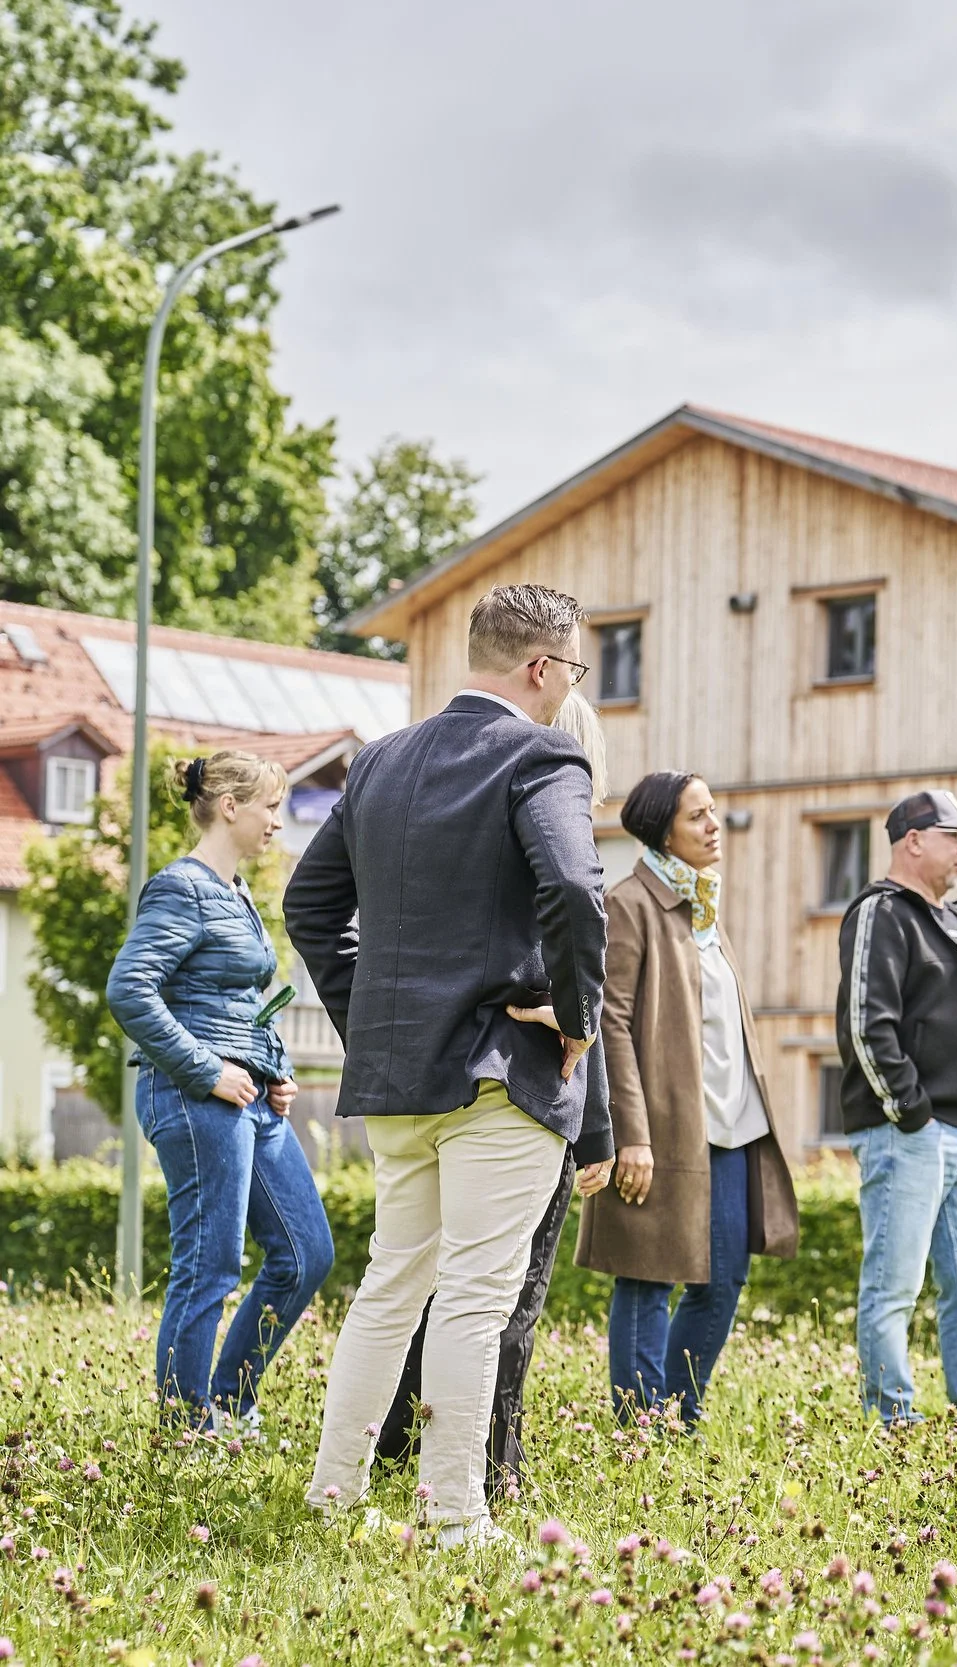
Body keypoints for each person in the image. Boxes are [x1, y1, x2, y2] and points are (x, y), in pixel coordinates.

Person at [287, 582, 614, 1548]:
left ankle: (334, 1492)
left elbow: (310, 908)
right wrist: (577, 1016)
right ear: (543, 667)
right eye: (574, 669)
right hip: (498, 1070)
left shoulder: (379, 760)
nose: (570, 687)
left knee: (392, 1285)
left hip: (399, 1075)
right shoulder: (544, 752)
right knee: (477, 1293)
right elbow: (574, 887)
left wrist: (374, 1020)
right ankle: (456, 1514)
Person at [377, 692, 617, 1497]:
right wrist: (595, 1130)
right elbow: (579, 1020)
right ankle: (480, 1473)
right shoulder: (553, 841)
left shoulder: (456, 823)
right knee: (501, 1296)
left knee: (424, 1285)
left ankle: (392, 1451)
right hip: (521, 1089)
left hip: (432, 1077)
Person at [106, 750, 332, 1432]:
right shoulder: (182, 887)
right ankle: (185, 1427)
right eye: (270, 807)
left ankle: (230, 1404)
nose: (277, 821)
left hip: (248, 1095)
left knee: (306, 1253)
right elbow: (130, 989)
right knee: (210, 1264)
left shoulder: (235, 893)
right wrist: (207, 1070)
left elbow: (240, 1003)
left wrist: (275, 1067)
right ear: (230, 806)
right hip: (195, 1095)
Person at [575, 769, 804, 1427]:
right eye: (697, 815)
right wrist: (631, 1134)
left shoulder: (703, 906)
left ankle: (675, 1413)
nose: (713, 825)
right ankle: (640, 1430)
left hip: (732, 1128)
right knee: (647, 1274)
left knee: (723, 1279)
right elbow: (610, 1023)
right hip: (664, 1133)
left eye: (714, 811)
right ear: (661, 831)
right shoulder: (630, 904)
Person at [836, 789, 957, 1431]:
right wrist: (909, 1112)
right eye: (954, 836)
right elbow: (866, 1024)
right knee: (895, 1286)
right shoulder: (881, 913)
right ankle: (892, 1421)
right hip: (907, 1130)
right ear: (913, 840)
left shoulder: (956, 918)